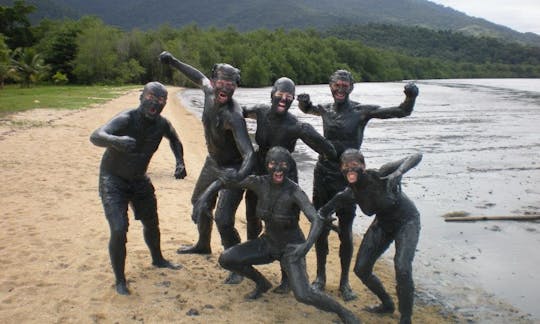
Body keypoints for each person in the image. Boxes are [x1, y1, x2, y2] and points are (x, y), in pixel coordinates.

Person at [193, 147, 359, 324]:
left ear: (289, 167)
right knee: (226, 259)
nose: (278, 169)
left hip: (291, 249)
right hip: (269, 243)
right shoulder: (259, 183)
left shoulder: (294, 191)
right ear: (266, 165)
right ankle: (262, 283)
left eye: (283, 164)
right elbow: (227, 181)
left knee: (303, 294)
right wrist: (202, 200)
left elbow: (315, 219)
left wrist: (305, 247)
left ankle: (343, 312)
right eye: (273, 163)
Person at [297, 69, 419, 301]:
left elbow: (402, 112)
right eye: (337, 84)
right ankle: (320, 276)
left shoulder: (362, 112)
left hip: (350, 178)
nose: (341, 88)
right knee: (320, 227)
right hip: (323, 175)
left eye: (345, 85)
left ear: (351, 88)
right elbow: (307, 109)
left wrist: (410, 96)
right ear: (330, 86)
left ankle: (344, 282)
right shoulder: (324, 109)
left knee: (345, 231)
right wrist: (304, 102)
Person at [159, 51, 255, 284]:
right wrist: (173, 61)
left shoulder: (234, 116)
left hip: (233, 168)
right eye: (221, 80)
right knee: (199, 203)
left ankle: (236, 263)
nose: (225, 85)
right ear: (213, 82)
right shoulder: (208, 90)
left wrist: (237, 177)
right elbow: (196, 74)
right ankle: (203, 244)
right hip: (212, 162)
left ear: (236, 86)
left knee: (223, 218)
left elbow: (250, 154)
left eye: (231, 82)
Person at [90, 81, 186, 295]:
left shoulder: (162, 124)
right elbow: (96, 135)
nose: (155, 102)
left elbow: (175, 140)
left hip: (139, 179)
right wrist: (115, 141)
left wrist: (180, 162)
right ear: (142, 97)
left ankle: (158, 259)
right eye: (151, 96)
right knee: (118, 229)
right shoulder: (126, 118)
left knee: (152, 222)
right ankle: (120, 280)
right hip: (113, 180)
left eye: (161, 99)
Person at [242, 77, 337, 293]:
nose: (284, 99)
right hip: (260, 170)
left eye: (289, 96)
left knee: (286, 225)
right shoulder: (260, 111)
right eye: (280, 94)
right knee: (252, 216)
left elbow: (327, 149)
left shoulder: (296, 125)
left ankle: (286, 277)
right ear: (272, 93)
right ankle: (248, 259)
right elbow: (238, 112)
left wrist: (339, 160)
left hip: (286, 176)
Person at [319, 149, 422, 324]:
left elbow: (416, 156)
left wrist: (399, 172)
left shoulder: (381, 175)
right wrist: (324, 222)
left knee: (402, 267)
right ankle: (387, 303)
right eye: (345, 166)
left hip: (407, 221)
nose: (350, 169)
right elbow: (322, 212)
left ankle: (406, 317)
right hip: (383, 224)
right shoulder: (348, 193)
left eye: (354, 165)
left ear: (363, 166)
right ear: (341, 169)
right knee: (361, 269)